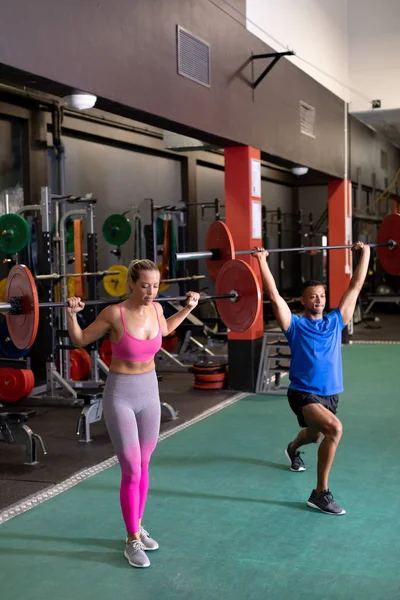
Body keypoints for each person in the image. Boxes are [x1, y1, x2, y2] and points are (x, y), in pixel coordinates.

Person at [66, 259, 199, 568]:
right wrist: (71, 314)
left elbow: (165, 330)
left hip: (150, 392)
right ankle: (131, 540)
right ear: (130, 284)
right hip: (121, 394)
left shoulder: (157, 310)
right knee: (132, 469)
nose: (151, 292)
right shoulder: (115, 314)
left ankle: (138, 526)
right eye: (144, 286)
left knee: (145, 463)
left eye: (155, 286)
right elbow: (80, 340)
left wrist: (188, 308)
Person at [253, 242, 370, 515]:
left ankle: (293, 447)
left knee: (315, 437)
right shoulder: (295, 325)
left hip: (330, 395)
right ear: (303, 301)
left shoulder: (335, 321)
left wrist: (364, 254)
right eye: (313, 297)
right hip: (303, 393)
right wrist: (262, 261)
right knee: (335, 429)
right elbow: (273, 295)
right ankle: (320, 493)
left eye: (322, 295)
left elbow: (356, 286)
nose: (318, 300)